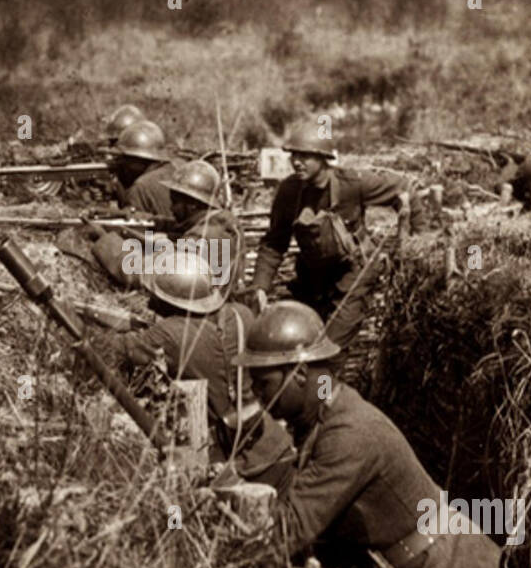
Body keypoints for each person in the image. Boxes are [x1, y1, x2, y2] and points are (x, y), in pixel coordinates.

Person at [229, 300, 502, 568]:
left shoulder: (349, 434)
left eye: (264, 384)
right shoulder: (325, 419)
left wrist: (228, 559)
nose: (259, 398)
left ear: (297, 374)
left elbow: (289, 530)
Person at [108, 251, 294, 484]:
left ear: (171, 301)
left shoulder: (169, 334)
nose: (149, 301)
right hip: (272, 445)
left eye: (156, 296)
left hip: (225, 464)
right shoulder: (242, 314)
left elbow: (113, 351)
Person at [246, 121, 409, 352]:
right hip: (314, 279)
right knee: (296, 344)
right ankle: (316, 387)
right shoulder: (289, 191)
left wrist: (415, 238)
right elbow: (274, 243)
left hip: (353, 275)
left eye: (305, 156)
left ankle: (325, 387)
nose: (297, 161)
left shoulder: (353, 184)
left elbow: (404, 189)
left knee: (330, 352)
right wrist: (260, 287)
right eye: (294, 155)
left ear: (323, 159)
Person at [88, 160, 244, 291]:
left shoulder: (203, 238)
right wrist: (136, 218)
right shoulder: (218, 221)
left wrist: (106, 241)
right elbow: (175, 226)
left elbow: (145, 274)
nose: (171, 208)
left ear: (192, 205)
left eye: (175, 202)